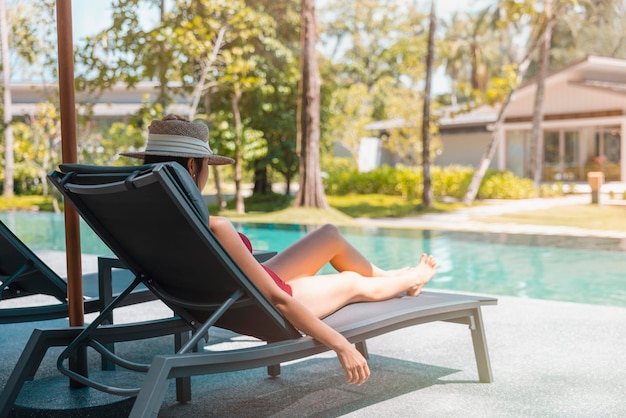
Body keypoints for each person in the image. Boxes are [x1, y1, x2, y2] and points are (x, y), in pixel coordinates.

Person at [122, 114, 438, 385]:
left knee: (328, 234)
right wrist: (341, 344)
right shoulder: (214, 226)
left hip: (241, 291)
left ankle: (389, 276)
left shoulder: (143, 221)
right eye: (206, 166)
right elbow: (277, 298)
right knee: (352, 283)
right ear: (192, 166)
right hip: (261, 305)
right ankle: (411, 280)